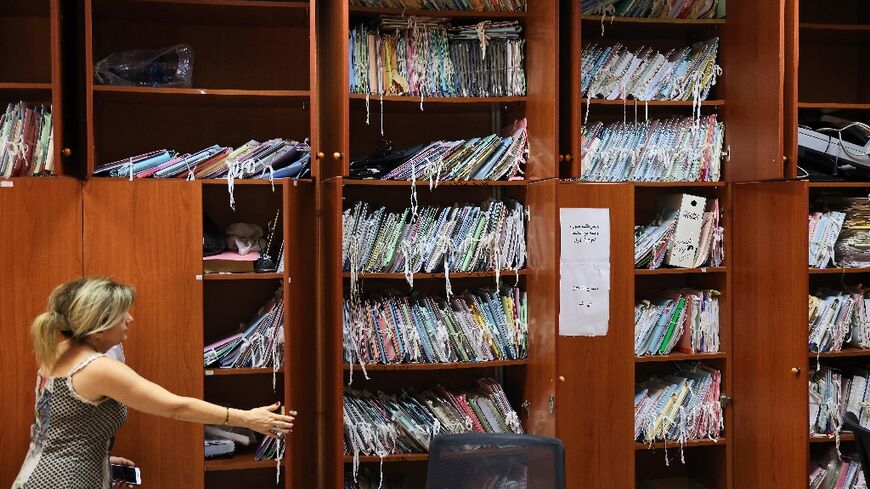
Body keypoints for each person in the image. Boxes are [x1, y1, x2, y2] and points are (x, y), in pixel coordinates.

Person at [13, 278, 296, 488]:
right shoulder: (97, 368)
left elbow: (61, 429)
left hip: (42, 475)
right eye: (122, 314)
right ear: (98, 325)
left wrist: (99, 458)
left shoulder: (58, 352)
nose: (130, 319)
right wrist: (246, 419)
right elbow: (175, 407)